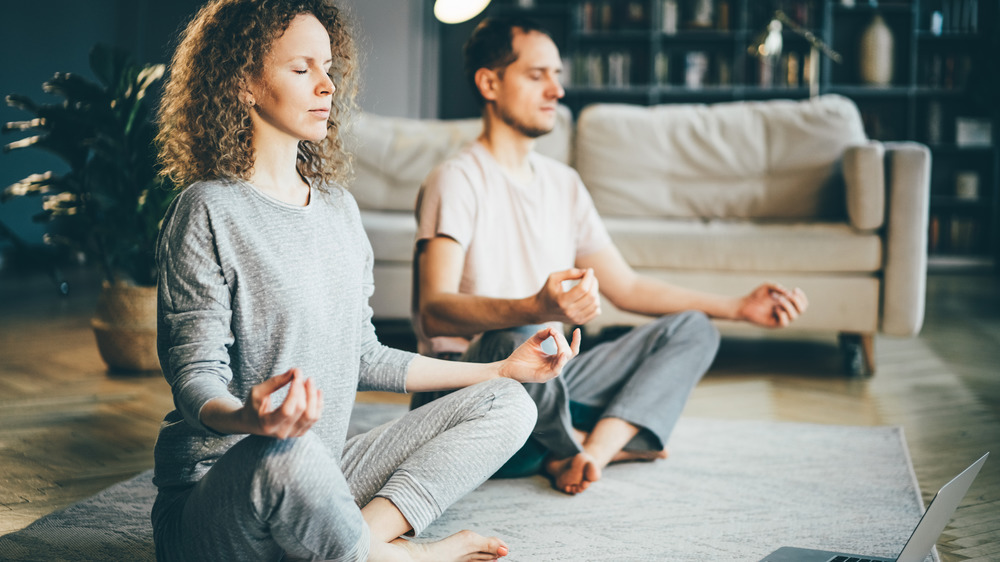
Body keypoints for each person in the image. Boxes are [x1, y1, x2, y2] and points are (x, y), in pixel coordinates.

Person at [151, 2, 580, 561]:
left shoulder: (338, 210)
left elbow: (364, 354)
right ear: (243, 83)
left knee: (510, 403)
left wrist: (500, 368)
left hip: (321, 474)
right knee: (288, 450)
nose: (327, 85)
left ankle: (364, 539)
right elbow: (195, 379)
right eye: (302, 69)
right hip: (222, 500)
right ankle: (407, 556)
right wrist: (248, 417)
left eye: (328, 67)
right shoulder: (206, 210)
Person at [412, 16, 809, 496]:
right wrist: (536, 308)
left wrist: (738, 307)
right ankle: (578, 444)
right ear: (490, 82)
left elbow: (628, 288)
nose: (556, 90)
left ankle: (586, 455)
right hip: (468, 388)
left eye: (558, 76)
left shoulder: (564, 184)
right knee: (527, 333)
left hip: (547, 379)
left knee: (694, 327)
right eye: (537, 75)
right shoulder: (457, 178)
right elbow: (435, 310)